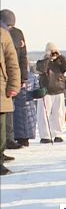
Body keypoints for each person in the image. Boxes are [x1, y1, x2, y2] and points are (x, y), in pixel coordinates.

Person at [1, 10, 26, 150]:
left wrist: (23, 77)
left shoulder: (17, 34)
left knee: (8, 112)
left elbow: (20, 58)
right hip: (4, 77)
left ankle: (8, 139)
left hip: (9, 79)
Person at [35, 42, 66, 144]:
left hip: (59, 90)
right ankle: (45, 135)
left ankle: (58, 134)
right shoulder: (42, 62)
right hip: (46, 91)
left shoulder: (59, 63)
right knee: (43, 114)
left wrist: (60, 56)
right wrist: (47, 58)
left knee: (59, 113)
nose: (53, 54)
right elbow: (41, 69)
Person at [1, 26, 21, 175]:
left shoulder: (3, 34)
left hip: (1, 89)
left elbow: (12, 62)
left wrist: (13, 85)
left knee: (1, 130)